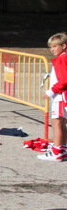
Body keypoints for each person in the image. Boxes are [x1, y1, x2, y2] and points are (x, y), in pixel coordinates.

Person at [40, 32, 67, 162]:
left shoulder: (61, 59)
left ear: (64, 46)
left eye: (55, 46)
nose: (52, 49)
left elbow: (63, 80)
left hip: (60, 97)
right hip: (61, 96)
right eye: (51, 47)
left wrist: (51, 91)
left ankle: (57, 152)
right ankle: (62, 149)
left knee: (56, 123)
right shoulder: (63, 58)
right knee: (61, 124)